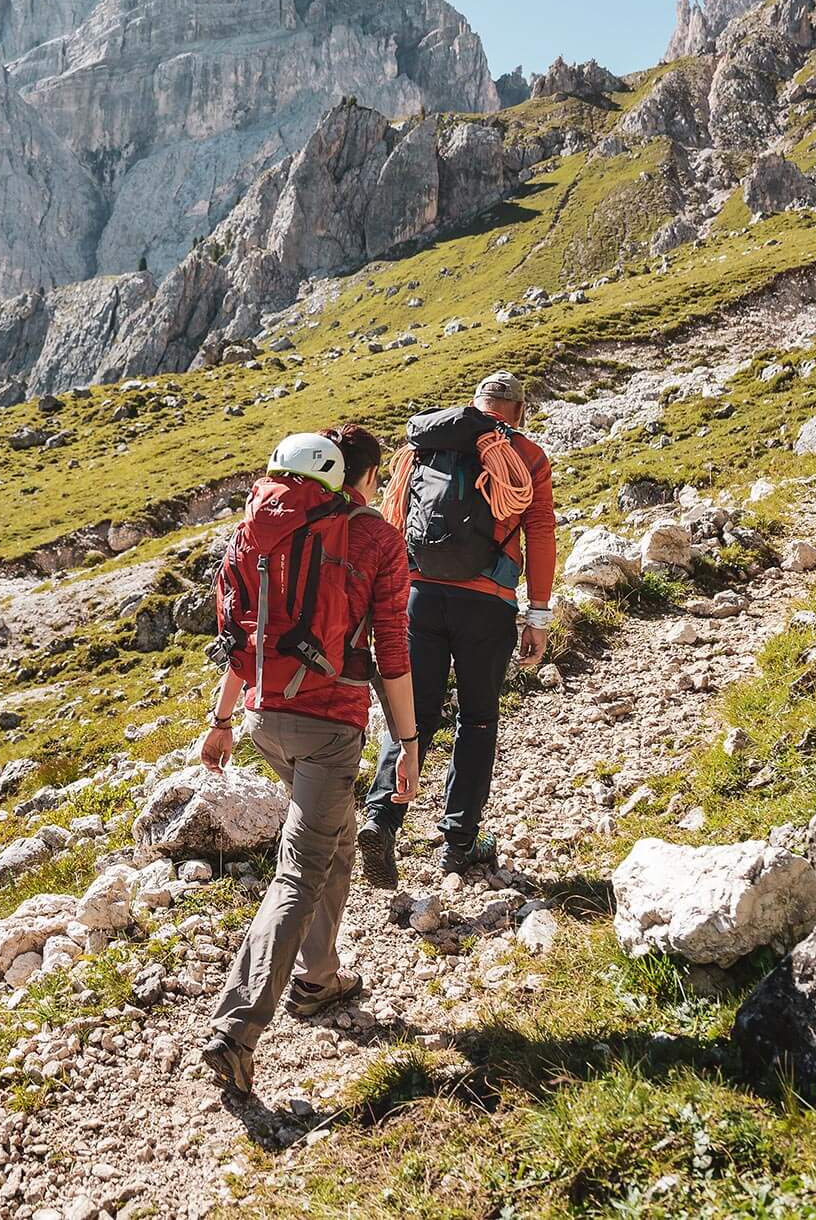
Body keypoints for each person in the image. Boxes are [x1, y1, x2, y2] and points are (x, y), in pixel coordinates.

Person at [198, 426, 419, 1098]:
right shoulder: (377, 538)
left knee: (336, 838)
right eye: (378, 477)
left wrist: (222, 719)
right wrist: (407, 744)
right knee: (299, 870)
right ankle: (236, 1030)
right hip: (329, 729)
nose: (381, 488)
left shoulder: (263, 534)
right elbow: (392, 650)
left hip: (267, 722)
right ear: (363, 477)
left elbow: (244, 637)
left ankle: (319, 979)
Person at [359, 370, 555, 884]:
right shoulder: (526, 455)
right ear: (518, 412)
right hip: (487, 603)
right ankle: (458, 842)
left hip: (419, 596)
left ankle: (381, 817)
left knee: (411, 714)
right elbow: (539, 532)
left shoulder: (426, 447)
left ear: (473, 406)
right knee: (478, 720)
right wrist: (537, 613)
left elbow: (395, 518)